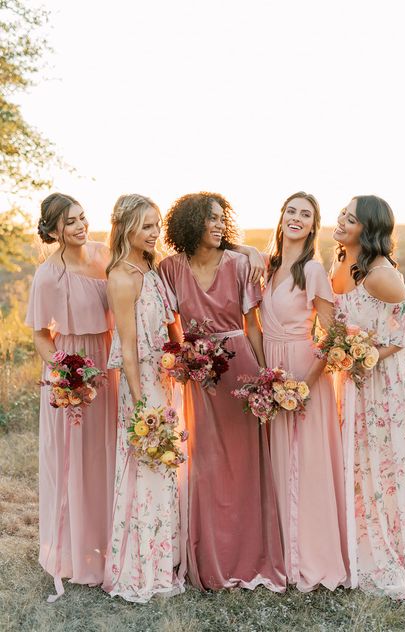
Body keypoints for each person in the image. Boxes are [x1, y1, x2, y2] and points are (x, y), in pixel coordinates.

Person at [159, 191, 286, 592]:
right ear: (190, 225)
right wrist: (184, 355)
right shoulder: (169, 268)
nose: (217, 225)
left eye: (221, 219)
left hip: (240, 369)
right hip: (199, 372)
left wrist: (265, 375)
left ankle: (251, 555)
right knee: (206, 462)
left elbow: (252, 326)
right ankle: (209, 555)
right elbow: (169, 324)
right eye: (209, 219)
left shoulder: (238, 263)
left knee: (246, 462)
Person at [331, 194, 405, 599]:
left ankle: (404, 555)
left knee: (392, 466)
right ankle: (363, 548)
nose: (342, 221)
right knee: (364, 464)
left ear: (369, 229)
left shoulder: (381, 275)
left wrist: (368, 356)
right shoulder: (339, 263)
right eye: (342, 214)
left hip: (392, 381)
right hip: (358, 379)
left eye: (351, 219)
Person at [25, 193, 117, 601]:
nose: (81, 226)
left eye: (82, 218)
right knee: (78, 458)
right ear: (55, 230)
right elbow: (40, 335)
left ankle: (112, 545)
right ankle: (78, 550)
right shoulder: (48, 275)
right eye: (71, 222)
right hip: (75, 368)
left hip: (111, 360)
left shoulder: (104, 254)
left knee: (109, 452)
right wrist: (67, 370)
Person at [260, 191, 348, 591]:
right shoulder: (268, 266)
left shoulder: (313, 270)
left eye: (306, 214)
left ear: (314, 226)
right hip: (271, 372)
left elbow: (333, 336)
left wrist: (304, 385)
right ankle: (283, 553)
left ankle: (313, 557)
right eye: (291, 211)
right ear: (281, 218)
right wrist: (268, 380)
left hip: (304, 372)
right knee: (279, 463)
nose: (297, 218)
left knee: (307, 465)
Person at [102, 194, 183, 602]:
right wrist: (142, 409)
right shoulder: (121, 276)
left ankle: (165, 559)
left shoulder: (151, 266)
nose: (154, 233)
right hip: (143, 388)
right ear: (126, 227)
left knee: (164, 473)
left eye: (156, 225)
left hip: (165, 381)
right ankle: (139, 567)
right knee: (146, 471)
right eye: (146, 226)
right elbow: (129, 348)